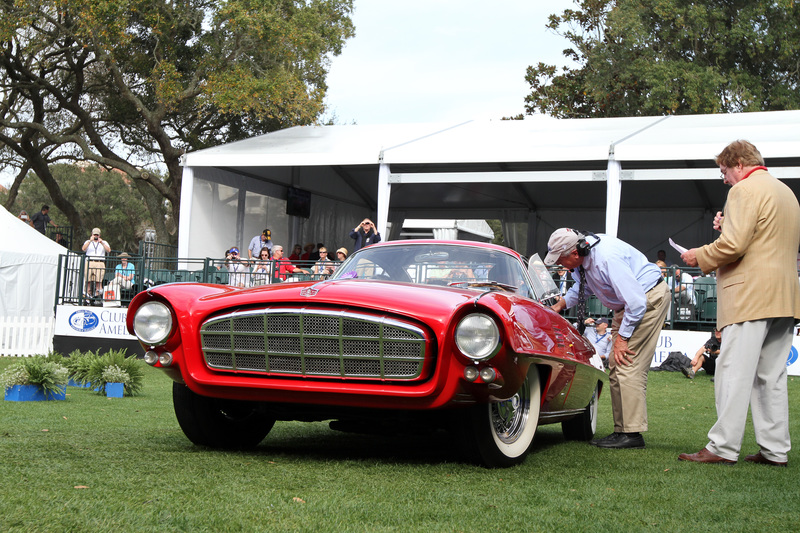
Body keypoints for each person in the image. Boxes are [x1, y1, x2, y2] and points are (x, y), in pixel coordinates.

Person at [678, 140, 800, 467]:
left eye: (724, 171)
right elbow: (761, 238)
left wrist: (698, 255)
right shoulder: (785, 192)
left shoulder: (743, 191)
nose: (724, 179)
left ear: (740, 165)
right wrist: (726, 227)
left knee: (732, 371)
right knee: (771, 376)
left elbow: (733, 246)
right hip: (784, 295)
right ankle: (775, 451)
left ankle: (722, 446)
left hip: (750, 295)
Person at [545, 228, 669, 449]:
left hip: (645, 300)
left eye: (562, 259)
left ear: (575, 253)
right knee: (617, 364)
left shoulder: (607, 258)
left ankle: (631, 434)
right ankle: (624, 431)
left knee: (626, 364)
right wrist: (559, 305)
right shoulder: (584, 259)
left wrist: (622, 338)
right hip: (630, 305)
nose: (562, 265)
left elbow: (637, 303)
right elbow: (581, 288)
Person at [82, 227, 111, 299]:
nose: (96, 236)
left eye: (97, 235)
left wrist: (102, 242)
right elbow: (83, 249)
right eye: (94, 235)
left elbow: (108, 250)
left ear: (99, 235)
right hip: (90, 261)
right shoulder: (88, 242)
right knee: (88, 280)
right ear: (92, 234)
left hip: (99, 262)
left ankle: (98, 296)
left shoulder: (104, 242)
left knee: (99, 281)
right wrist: (89, 241)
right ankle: (87, 296)